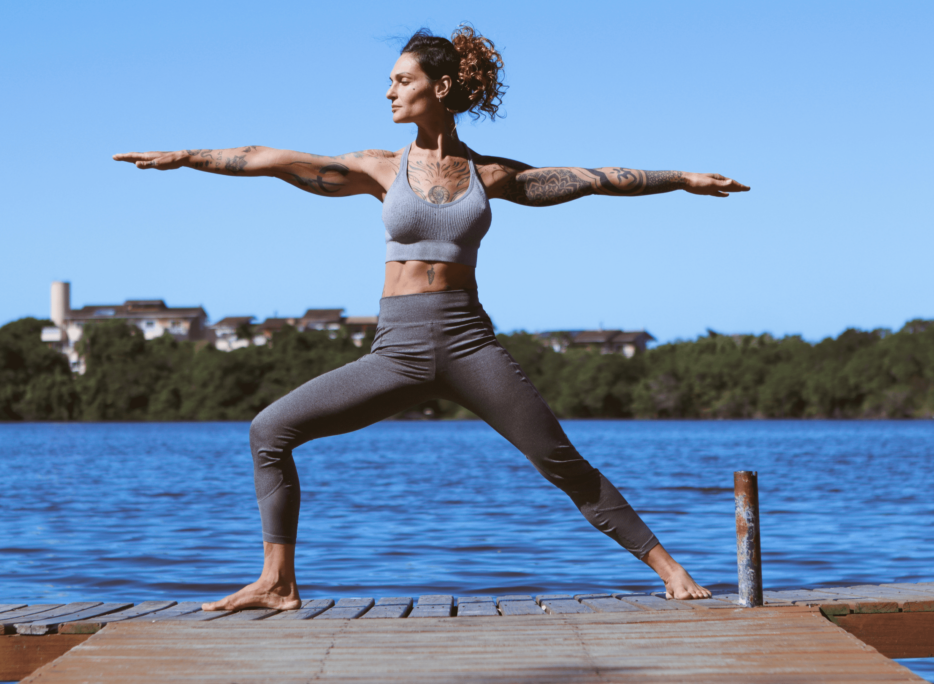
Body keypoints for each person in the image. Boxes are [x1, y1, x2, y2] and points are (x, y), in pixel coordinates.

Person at [115, 26, 749, 612]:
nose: (388, 90)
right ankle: (277, 582)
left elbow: (595, 178)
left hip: (470, 343)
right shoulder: (377, 168)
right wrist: (184, 156)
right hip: (396, 350)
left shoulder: (492, 174)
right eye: (391, 81)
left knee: (562, 462)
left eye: (402, 80)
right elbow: (268, 157)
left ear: (439, 89)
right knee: (269, 431)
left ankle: (671, 571)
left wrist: (682, 178)